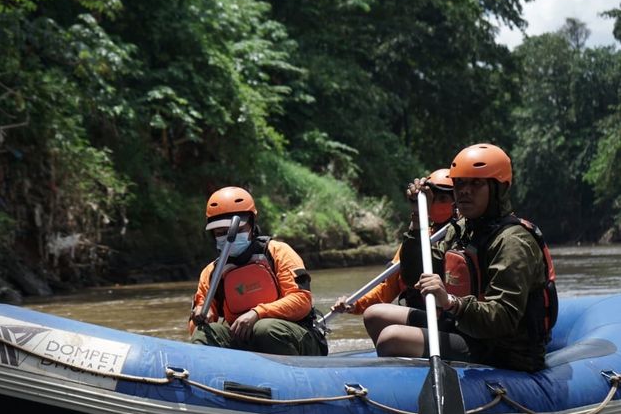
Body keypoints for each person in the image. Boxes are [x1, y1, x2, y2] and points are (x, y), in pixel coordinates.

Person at [362, 144, 557, 372]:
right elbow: (413, 274)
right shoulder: (462, 229)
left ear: (498, 189)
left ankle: (407, 395)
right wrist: (417, 218)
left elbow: (502, 319)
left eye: (476, 183)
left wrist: (451, 303)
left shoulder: (513, 241)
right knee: (375, 314)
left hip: (504, 349)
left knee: (391, 338)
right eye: (460, 183)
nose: (464, 191)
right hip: (466, 328)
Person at [189, 186, 327, 356]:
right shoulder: (211, 272)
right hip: (244, 342)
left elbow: (301, 301)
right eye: (220, 233)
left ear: (252, 226)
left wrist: (257, 313)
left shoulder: (278, 252)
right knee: (205, 332)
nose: (228, 237)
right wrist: (202, 314)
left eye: (238, 230)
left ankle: (289, 378)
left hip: (295, 337)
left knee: (264, 328)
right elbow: (197, 325)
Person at [331, 168, 456, 315]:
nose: (434, 204)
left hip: (449, 317)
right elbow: (386, 288)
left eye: (442, 199)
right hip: (418, 317)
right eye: (431, 198)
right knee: (376, 315)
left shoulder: (463, 236)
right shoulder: (415, 239)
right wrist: (354, 303)